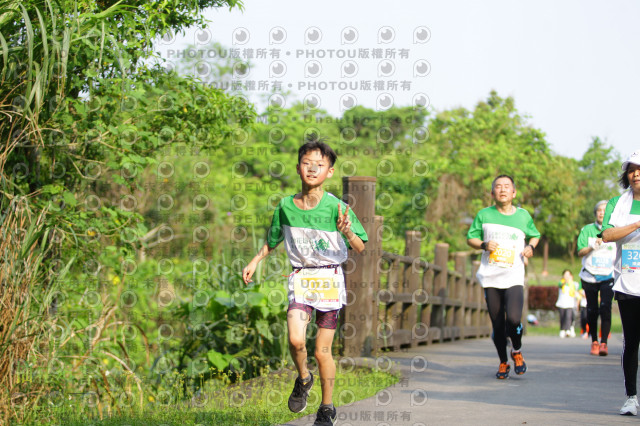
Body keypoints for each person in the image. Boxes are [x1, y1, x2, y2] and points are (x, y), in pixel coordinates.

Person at [242, 137, 368, 425]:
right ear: (298, 168)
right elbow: (273, 240)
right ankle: (303, 378)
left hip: (330, 280)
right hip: (301, 278)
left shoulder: (338, 208)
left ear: (330, 171)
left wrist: (347, 232)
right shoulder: (285, 206)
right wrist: (254, 261)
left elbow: (360, 246)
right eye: (307, 164)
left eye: (319, 165)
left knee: (322, 351)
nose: (312, 169)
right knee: (295, 340)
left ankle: (326, 408)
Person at [467, 175, 540, 379]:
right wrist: (483, 244)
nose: (502, 190)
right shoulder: (484, 215)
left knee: (514, 319)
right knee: (497, 324)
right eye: (498, 187)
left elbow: (535, 235)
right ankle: (502, 361)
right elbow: (470, 238)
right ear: (492, 193)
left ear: (514, 192)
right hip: (490, 276)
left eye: (507, 187)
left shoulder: (523, 216)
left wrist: (530, 247)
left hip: (514, 274)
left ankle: (516, 350)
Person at [602, 151, 640, 416]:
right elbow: (607, 234)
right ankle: (631, 397)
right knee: (632, 341)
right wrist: (637, 224)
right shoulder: (618, 203)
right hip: (628, 282)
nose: (636, 174)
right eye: (631, 170)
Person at [577, 200, 616, 355]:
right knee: (592, 310)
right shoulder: (587, 230)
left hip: (608, 275)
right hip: (590, 275)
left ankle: (604, 343)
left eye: (605, 210)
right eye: (599, 210)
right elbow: (580, 251)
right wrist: (591, 247)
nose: (602, 212)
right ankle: (594, 341)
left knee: (606, 308)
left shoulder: (615, 230)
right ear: (595, 213)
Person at [556, 270, 580, 338]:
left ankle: (568, 330)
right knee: (562, 317)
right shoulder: (561, 282)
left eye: (568, 274)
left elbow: (576, 293)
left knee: (568, 317)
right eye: (565, 274)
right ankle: (562, 330)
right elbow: (561, 286)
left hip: (570, 303)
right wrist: (565, 281)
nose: (567, 276)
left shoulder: (573, 284)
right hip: (561, 303)